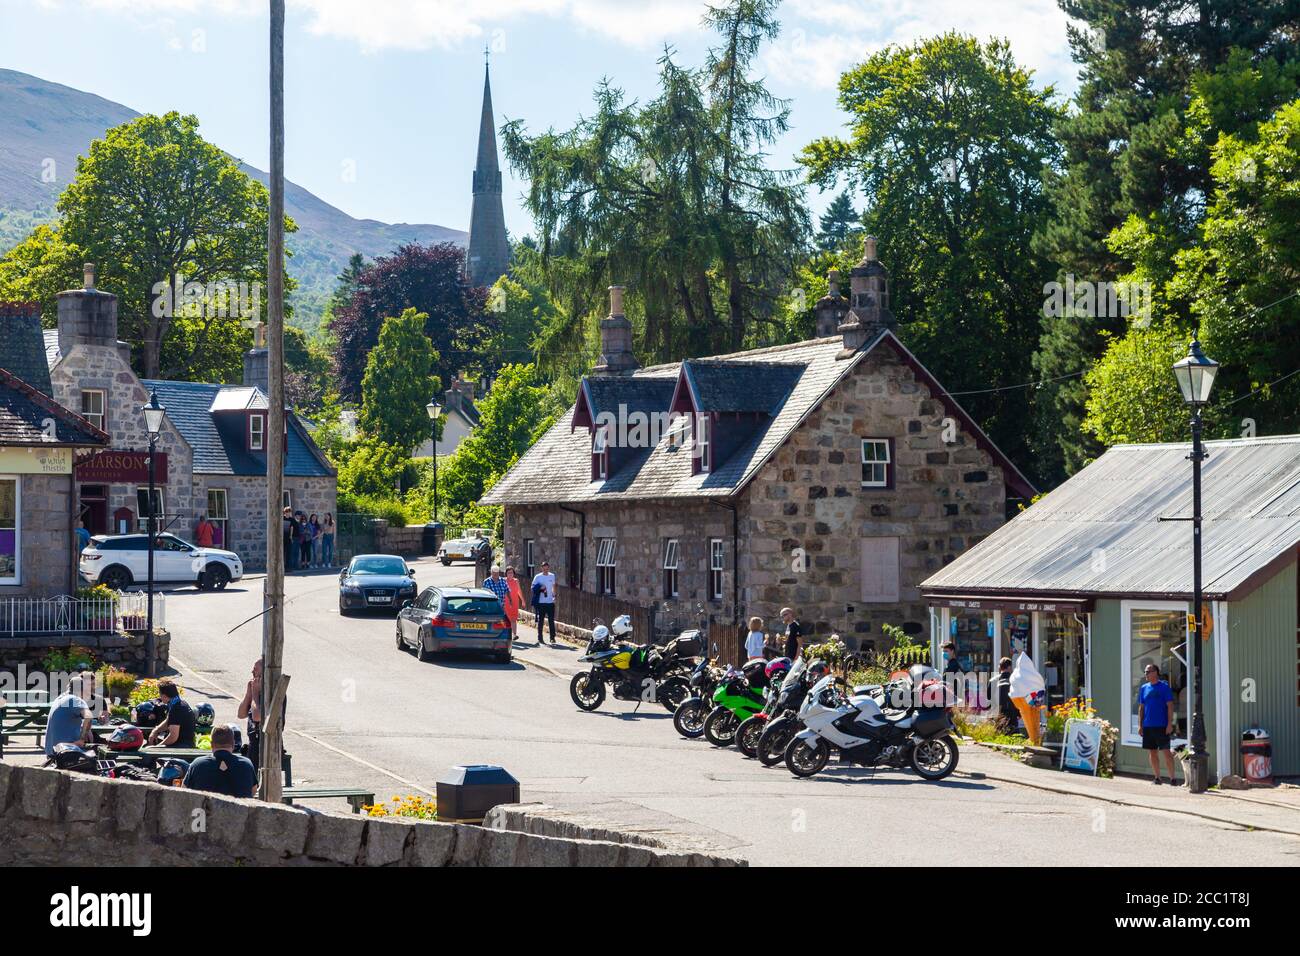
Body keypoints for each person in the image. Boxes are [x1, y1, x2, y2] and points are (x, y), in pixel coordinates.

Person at [183, 724, 257, 798]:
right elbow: (253, 791)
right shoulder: (246, 764)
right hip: (240, 809)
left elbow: (184, 790)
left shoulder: (197, 764)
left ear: (211, 744)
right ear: (233, 744)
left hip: (206, 808)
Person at [1138, 663, 1180, 785]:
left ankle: (1172, 778)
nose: (1146, 674)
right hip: (1148, 725)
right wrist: (1140, 725)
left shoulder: (1164, 687)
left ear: (1155, 672)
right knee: (1152, 752)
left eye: (1148, 671)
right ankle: (1157, 778)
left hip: (1161, 725)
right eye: (1145, 672)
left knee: (1166, 751)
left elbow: (1170, 706)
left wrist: (1169, 724)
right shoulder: (1144, 688)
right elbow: (1141, 708)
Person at [44, 673, 95, 757]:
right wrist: (82, 739)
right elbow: (88, 716)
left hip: (51, 752)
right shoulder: (74, 699)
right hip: (64, 753)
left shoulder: (59, 698)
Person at [1008, 652, 1047, 747]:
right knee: (1032, 717)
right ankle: (1035, 741)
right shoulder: (1034, 675)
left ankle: (1034, 740)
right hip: (1033, 695)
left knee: (1029, 716)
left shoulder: (1017, 675)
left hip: (1026, 695)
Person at [148, 681, 197, 748]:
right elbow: (168, 721)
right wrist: (155, 731)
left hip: (183, 746)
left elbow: (173, 737)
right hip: (183, 744)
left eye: (160, 694)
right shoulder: (179, 703)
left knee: (148, 751)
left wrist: (157, 748)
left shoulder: (177, 709)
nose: (159, 697)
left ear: (164, 696)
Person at [238, 658, 263, 769]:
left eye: (255, 670)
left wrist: (255, 695)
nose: (252, 672)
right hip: (253, 743)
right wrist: (249, 694)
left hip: (264, 745)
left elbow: (257, 717)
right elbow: (241, 714)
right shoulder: (254, 692)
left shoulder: (269, 694)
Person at [532, 560, 558, 645]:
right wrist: (540, 587)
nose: (545, 571)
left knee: (551, 620)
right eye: (544, 569)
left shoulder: (552, 576)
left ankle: (552, 638)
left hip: (550, 602)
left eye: (547, 569)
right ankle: (540, 638)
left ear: (548, 568)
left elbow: (554, 586)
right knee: (541, 621)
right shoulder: (538, 577)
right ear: (541, 568)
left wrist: (554, 596)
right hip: (541, 602)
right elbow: (532, 587)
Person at [994, 656, 1017, 730]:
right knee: (1013, 735)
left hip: (998, 713)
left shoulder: (993, 680)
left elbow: (988, 698)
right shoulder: (1014, 680)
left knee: (999, 736)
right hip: (1012, 714)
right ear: (1009, 667)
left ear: (1000, 667)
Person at [503, 565, 524, 640]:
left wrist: (523, 600)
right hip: (506, 602)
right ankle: (506, 634)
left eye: (511, 573)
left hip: (515, 602)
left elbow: (519, 591)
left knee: (514, 619)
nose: (510, 574)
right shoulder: (503, 581)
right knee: (506, 619)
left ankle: (514, 635)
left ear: (513, 573)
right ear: (506, 574)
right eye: (508, 573)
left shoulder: (516, 581)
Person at [282, 507, 298, 572]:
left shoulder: (292, 520)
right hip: (282, 538)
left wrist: (291, 537)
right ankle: (282, 567)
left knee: (289, 553)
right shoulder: (282, 518)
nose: (288, 513)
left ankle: (288, 567)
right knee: (282, 553)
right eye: (287, 512)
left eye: (289, 512)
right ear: (285, 512)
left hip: (288, 538)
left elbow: (293, 528)